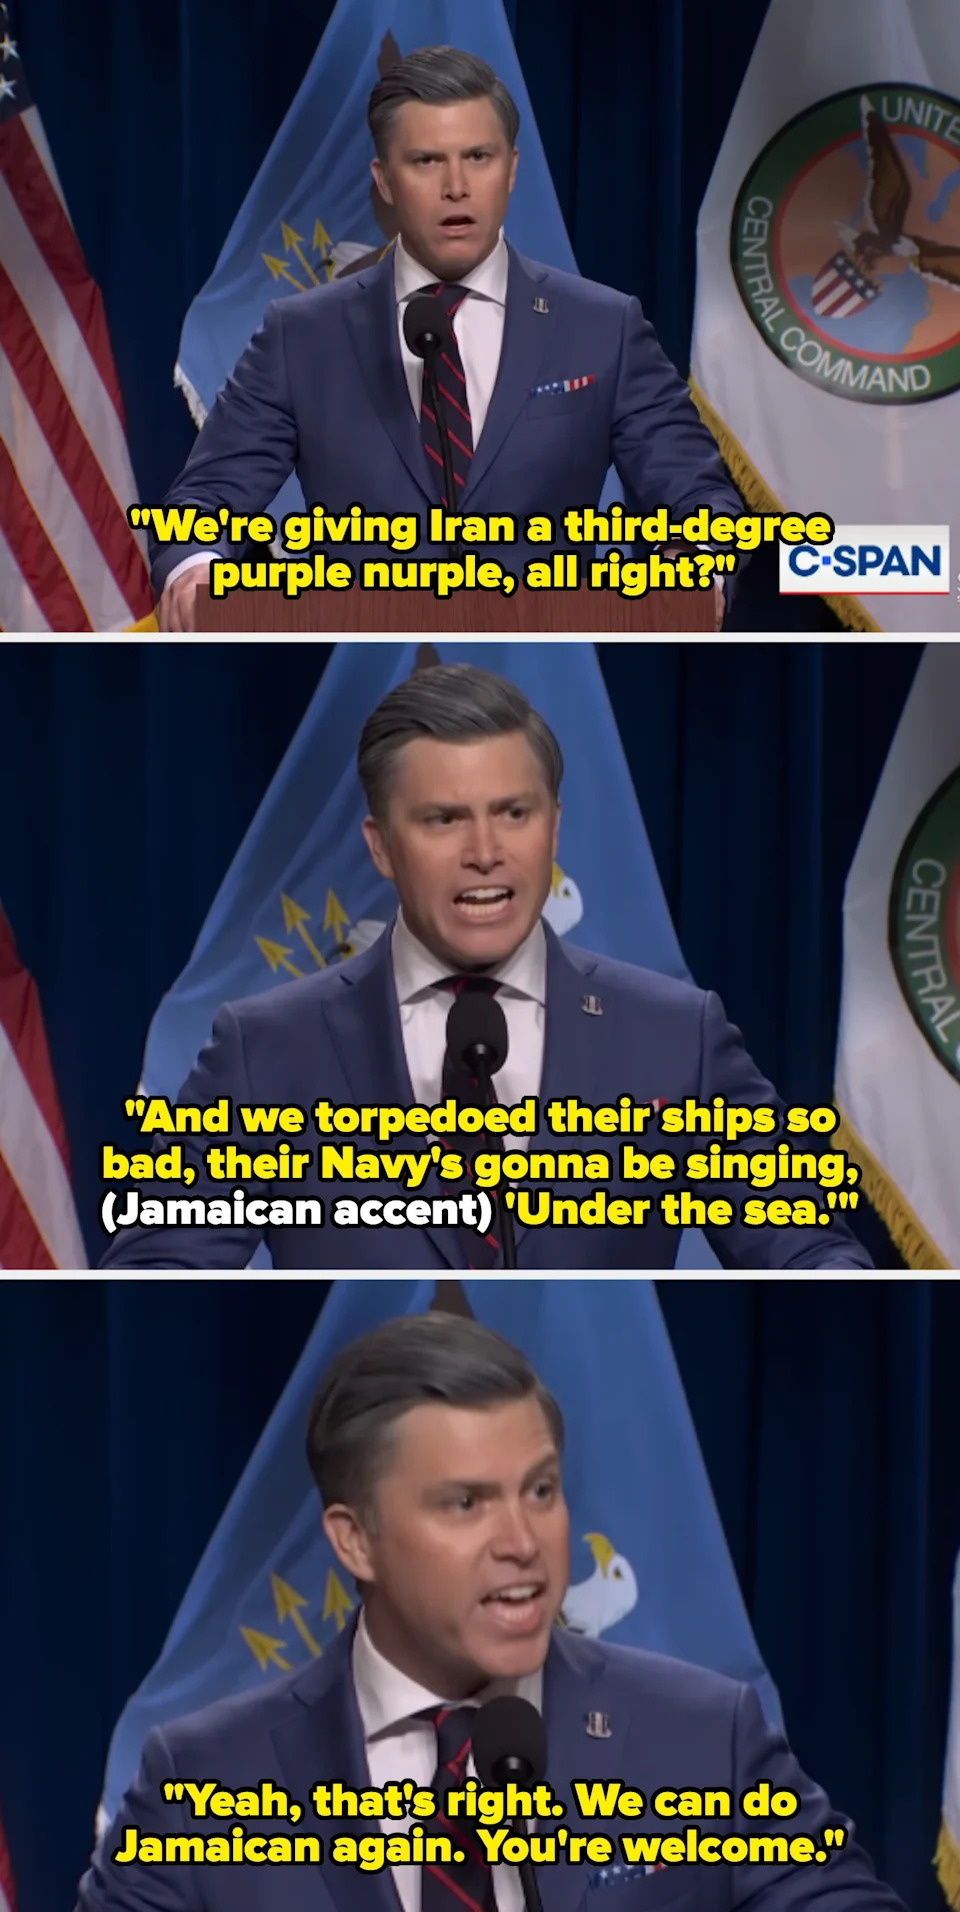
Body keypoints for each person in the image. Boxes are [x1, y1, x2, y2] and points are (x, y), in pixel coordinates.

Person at [77, 1312, 903, 1911]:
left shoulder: (702, 1737)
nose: (522, 1542)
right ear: (355, 1540)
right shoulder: (201, 1779)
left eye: (540, 1491)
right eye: (465, 1503)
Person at [99, 662, 870, 1272]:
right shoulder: (263, 1048)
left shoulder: (677, 1036)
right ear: (380, 847)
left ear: (554, 828)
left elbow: (811, 1249)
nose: (486, 853)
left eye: (513, 813)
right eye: (444, 819)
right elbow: (156, 1268)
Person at [155, 45, 742, 631]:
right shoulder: (301, 335)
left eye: (478, 157)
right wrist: (197, 568)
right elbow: (200, 506)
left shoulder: (602, 327)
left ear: (511, 169)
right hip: (366, 653)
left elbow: (700, 497)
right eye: (427, 161)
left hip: (545, 656)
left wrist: (695, 563)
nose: (456, 186)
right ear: (385, 181)